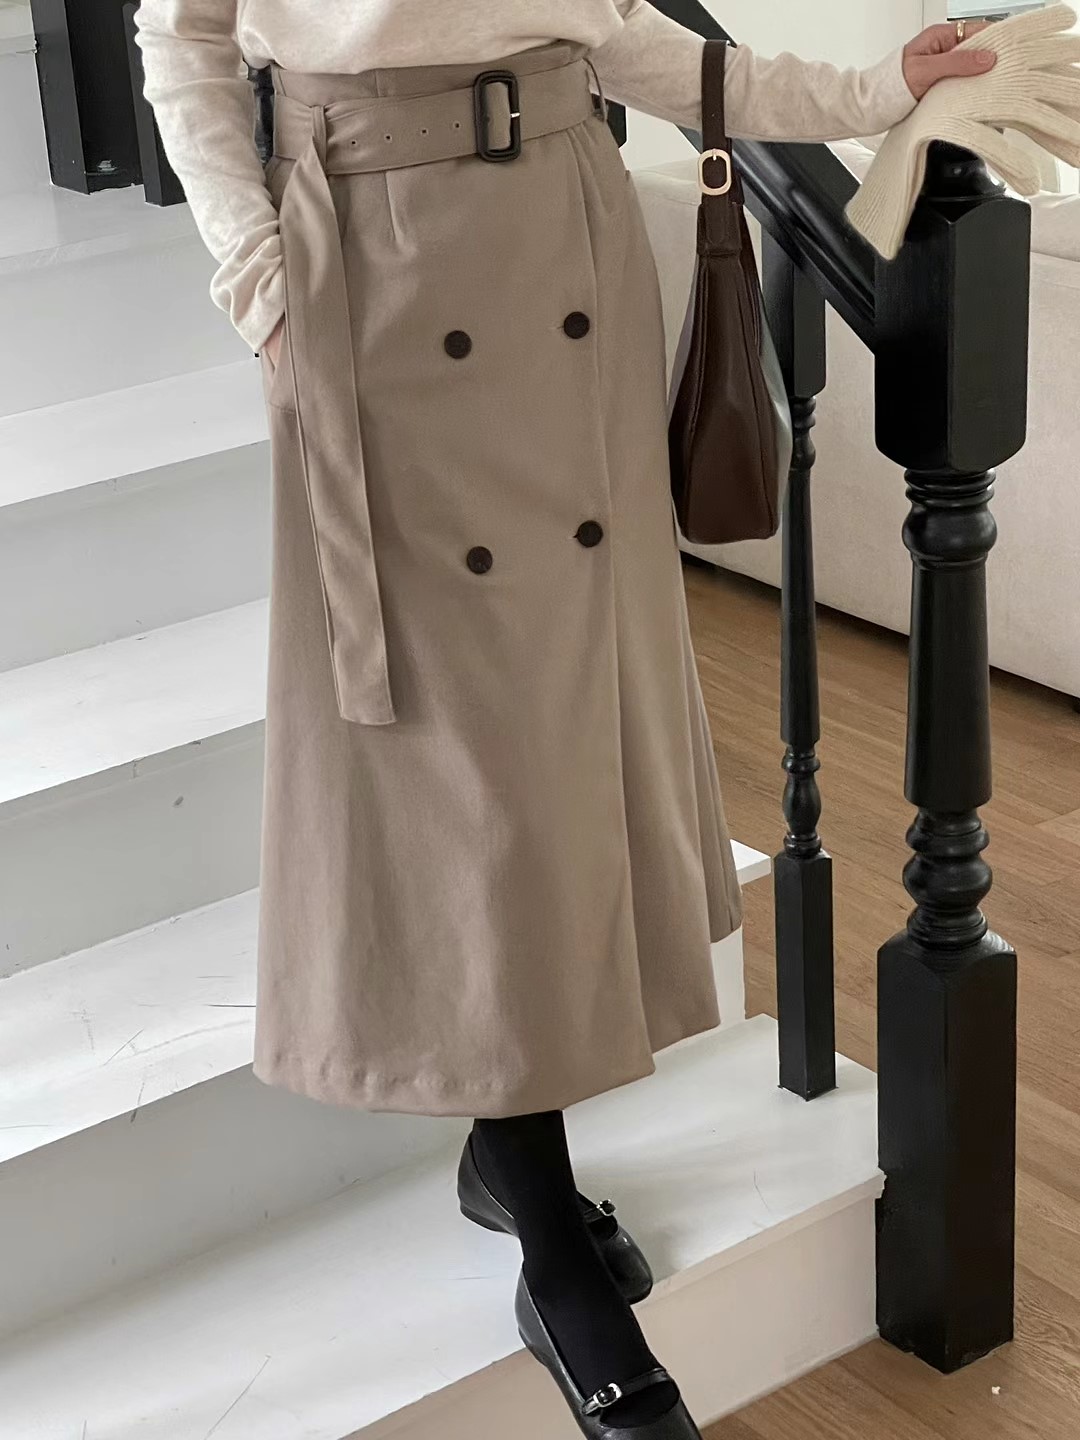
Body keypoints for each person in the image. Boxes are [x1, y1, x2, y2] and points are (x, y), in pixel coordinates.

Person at [131, 5, 993, 1435]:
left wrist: (865, 89)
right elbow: (183, 38)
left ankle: (509, 1155)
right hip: (375, 268)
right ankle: (545, 1230)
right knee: (464, 758)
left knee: (556, 733)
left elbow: (623, 35)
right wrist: (262, 283)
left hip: (564, 240)